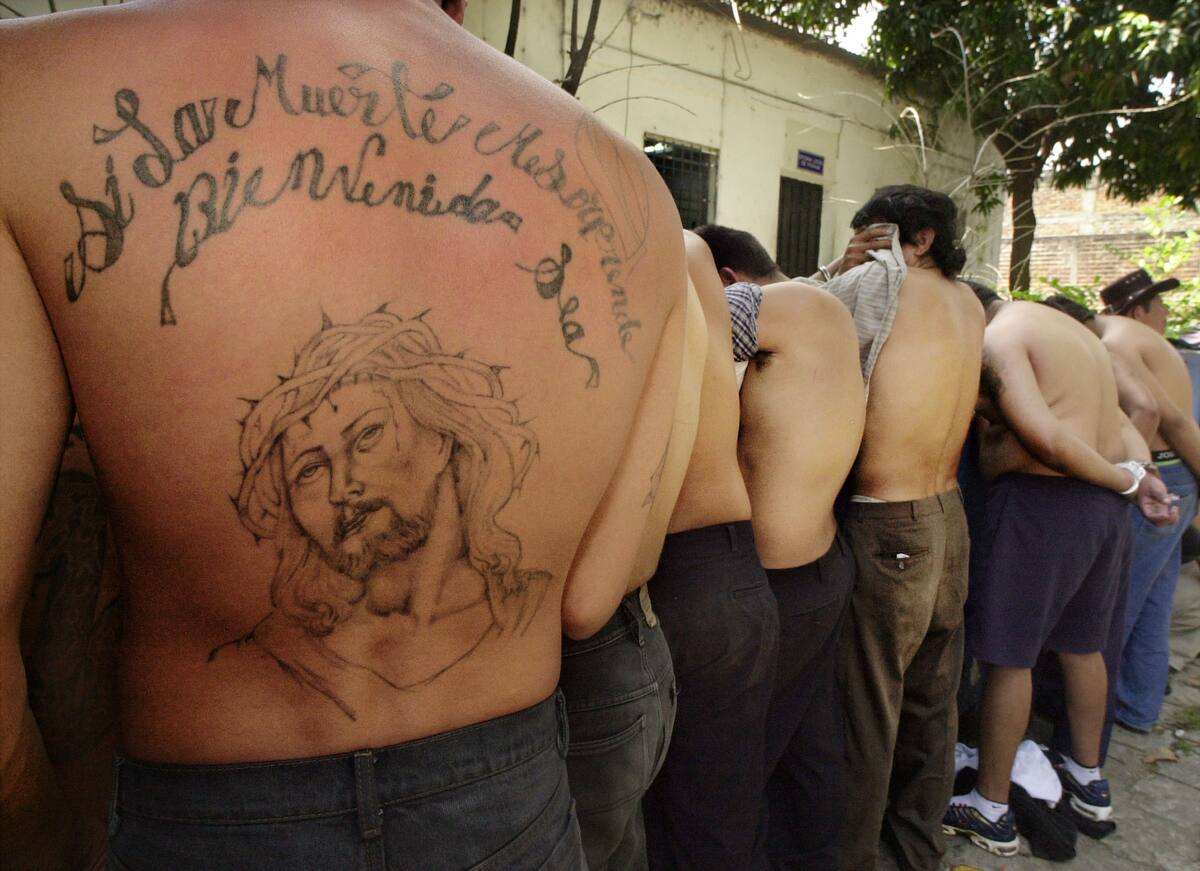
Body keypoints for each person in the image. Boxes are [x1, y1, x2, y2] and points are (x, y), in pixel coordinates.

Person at [0, 1, 688, 867]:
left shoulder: (26, 97)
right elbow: (599, 585)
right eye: (311, 465)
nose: (342, 487)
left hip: (211, 820)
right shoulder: (636, 199)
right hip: (513, 808)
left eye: (366, 438)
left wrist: (45, 843)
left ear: (448, 434)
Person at [946, 285, 1176, 858]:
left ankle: (991, 806)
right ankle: (1087, 779)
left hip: (1043, 506)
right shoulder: (1077, 335)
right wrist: (1139, 476)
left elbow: (1045, 437)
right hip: (1101, 514)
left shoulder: (999, 337)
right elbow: (1127, 420)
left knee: (1008, 660)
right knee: (1081, 649)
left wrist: (1125, 480)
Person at [832, 186, 984, 871]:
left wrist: (841, 265)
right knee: (932, 699)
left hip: (889, 521)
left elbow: (768, 315)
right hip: (948, 515)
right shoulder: (969, 302)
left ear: (918, 238)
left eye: (874, 234)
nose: (866, 247)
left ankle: (853, 857)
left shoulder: (874, 284)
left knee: (869, 706)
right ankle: (916, 849)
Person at [638, 232, 778, 870]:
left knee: (661, 811)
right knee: (719, 802)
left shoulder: (654, 251)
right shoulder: (712, 292)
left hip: (674, 573)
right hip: (737, 568)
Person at [558, 276, 707, 871]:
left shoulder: (624, 284)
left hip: (594, 642)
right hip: (634, 630)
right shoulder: (674, 283)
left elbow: (583, 603)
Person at [725, 272, 865, 867]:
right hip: (822, 565)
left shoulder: (763, 309)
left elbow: (690, 316)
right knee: (806, 742)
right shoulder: (825, 312)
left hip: (780, 584)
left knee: (740, 759)